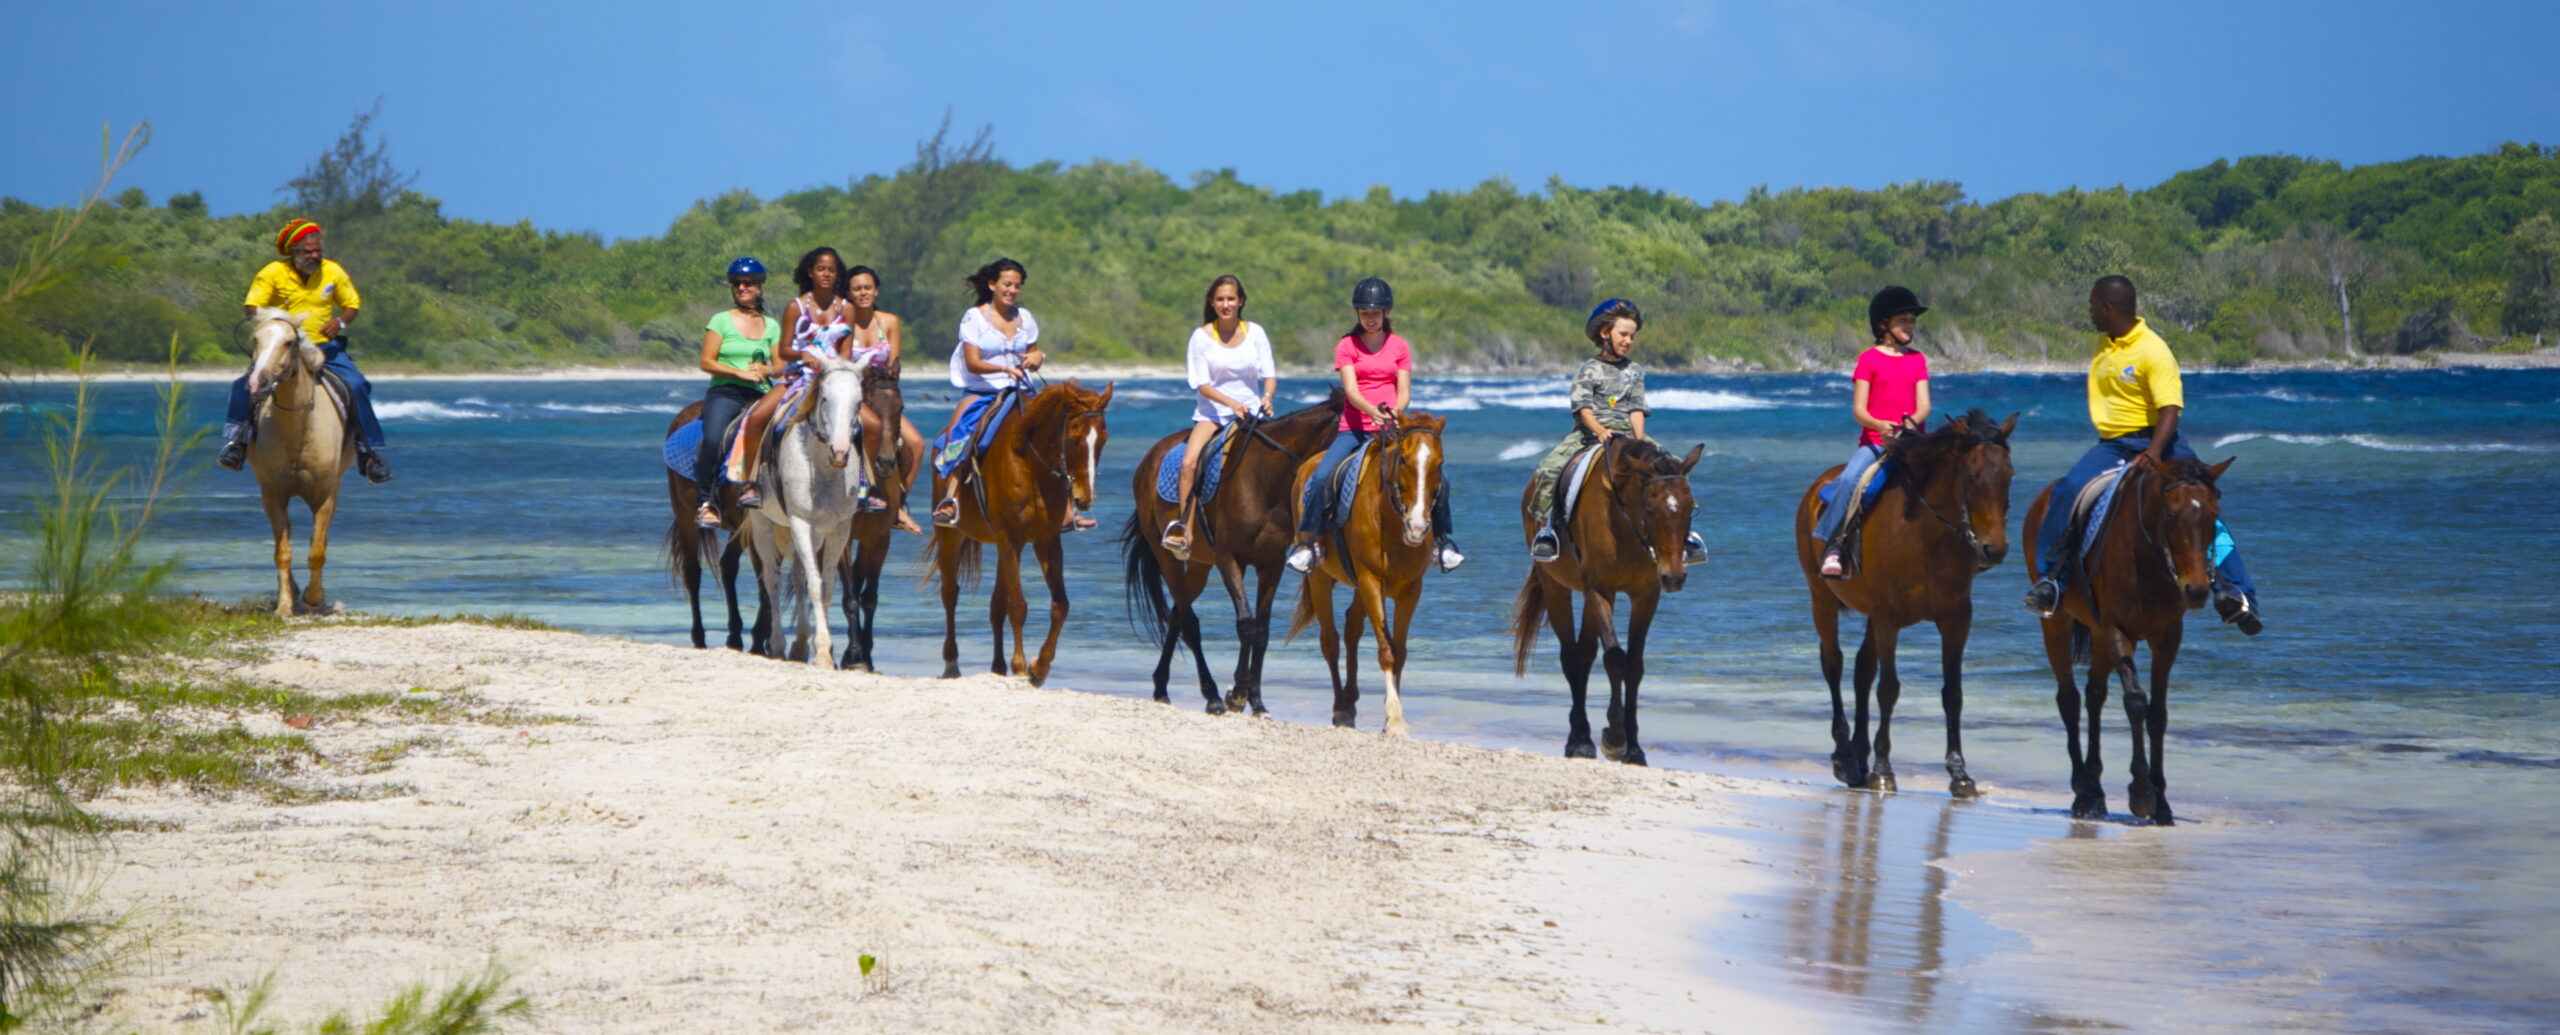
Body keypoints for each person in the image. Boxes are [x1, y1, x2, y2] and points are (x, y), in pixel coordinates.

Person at [2024, 275, 2262, 634]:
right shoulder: (2103, 345)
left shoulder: (2153, 349)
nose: (2089, 312)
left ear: (2108, 307)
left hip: (2160, 442)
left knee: (2201, 509)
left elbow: (2169, 408)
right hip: (2113, 445)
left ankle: (2237, 594)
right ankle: (2052, 581)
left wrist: (2153, 452)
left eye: (2092, 305)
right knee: (2067, 491)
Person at [1285, 277, 1463, 574]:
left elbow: (1403, 389)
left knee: (1437, 479)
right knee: (1320, 478)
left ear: (1386, 313)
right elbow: (1352, 391)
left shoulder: (1399, 346)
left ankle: (1440, 543)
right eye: (1365, 313)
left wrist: (1395, 411)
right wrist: (1372, 411)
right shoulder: (1347, 346)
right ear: (1358, 314)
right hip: (1353, 429)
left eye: (1376, 313)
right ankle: (1310, 543)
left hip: (1391, 429)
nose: (1370, 319)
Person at [1523, 298, 1709, 565]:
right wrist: (1599, 431)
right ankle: (1547, 531)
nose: (1629, 340)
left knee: (1673, 469)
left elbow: (1636, 408)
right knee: (1549, 469)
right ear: (1604, 333)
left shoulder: (1634, 371)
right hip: (1590, 435)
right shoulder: (1590, 369)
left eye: (1632, 336)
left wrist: (1639, 439)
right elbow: (1583, 408)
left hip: (1629, 436)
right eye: (1623, 334)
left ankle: (1686, 534)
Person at [218, 218, 390, 483]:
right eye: (307, 252)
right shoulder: (272, 272)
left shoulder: (333, 271)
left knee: (357, 385)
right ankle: (236, 443)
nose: (315, 256)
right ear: (293, 252)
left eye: (317, 250)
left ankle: (370, 453)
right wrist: (279, 322)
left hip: (324, 348)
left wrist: (339, 321)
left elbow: (352, 304)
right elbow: (252, 308)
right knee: (244, 384)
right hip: (282, 348)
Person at [727, 247, 896, 517]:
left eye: (831, 270)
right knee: (758, 416)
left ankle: (867, 485)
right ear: (810, 272)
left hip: (835, 379)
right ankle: (752, 482)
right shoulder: (796, 307)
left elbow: (845, 350)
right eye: (821, 269)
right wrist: (804, 355)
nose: (826, 274)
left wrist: (837, 369)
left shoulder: (847, 309)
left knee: (874, 425)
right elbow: (783, 350)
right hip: (800, 378)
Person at [929, 258, 1094, 532]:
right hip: (983, 391)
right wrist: (1004, 368)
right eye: (1007, 284)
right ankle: (952, 498)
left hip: (1022, 389)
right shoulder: (975, 317)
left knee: (1059, 434)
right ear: (992, 285)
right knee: (959, 434)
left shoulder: (1024, 318)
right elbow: (972, 362)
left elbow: (1032, 353)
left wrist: (1037, 357)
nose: (1012, 290)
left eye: (1017, 286)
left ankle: (1067, 510)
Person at [1810, 287, 1933, 578]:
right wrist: (1881, 426)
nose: (1910, 326)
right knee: (1852, 478)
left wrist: (1909, 424)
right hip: (1877, 443)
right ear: (1883, 325)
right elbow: (1859, 410)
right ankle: (1834, 546)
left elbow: (1925, 405)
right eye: (1903, 320)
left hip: (1914, 442)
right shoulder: (1869, 360)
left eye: (1912, 320)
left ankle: (1970, 547)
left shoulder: (1917, 360)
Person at [1159, 274, 1277, 558]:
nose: (1226, 304)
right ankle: (1184, 530)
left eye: (1231, 299)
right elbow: (1201, 384)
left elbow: (1269, 374)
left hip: (1251, 413)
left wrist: (1268, 397)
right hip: (1212, 414)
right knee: (1188, 463)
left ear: (1241, 302)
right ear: (1212, 303)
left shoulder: (1256, 333)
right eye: (1221, 299)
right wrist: (1230, 402)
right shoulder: (1201, 337)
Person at [691, 257, 779, 529]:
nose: (742, 288)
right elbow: (706, 362)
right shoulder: (720, 321)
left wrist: (767, 370)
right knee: (715, 437)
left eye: (749, 283)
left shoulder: (771, 325)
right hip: (726, 392)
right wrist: (738, 372)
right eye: (737, 283)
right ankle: (706, 502)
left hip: (761, 393)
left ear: (759, 287)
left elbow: (780, 364)